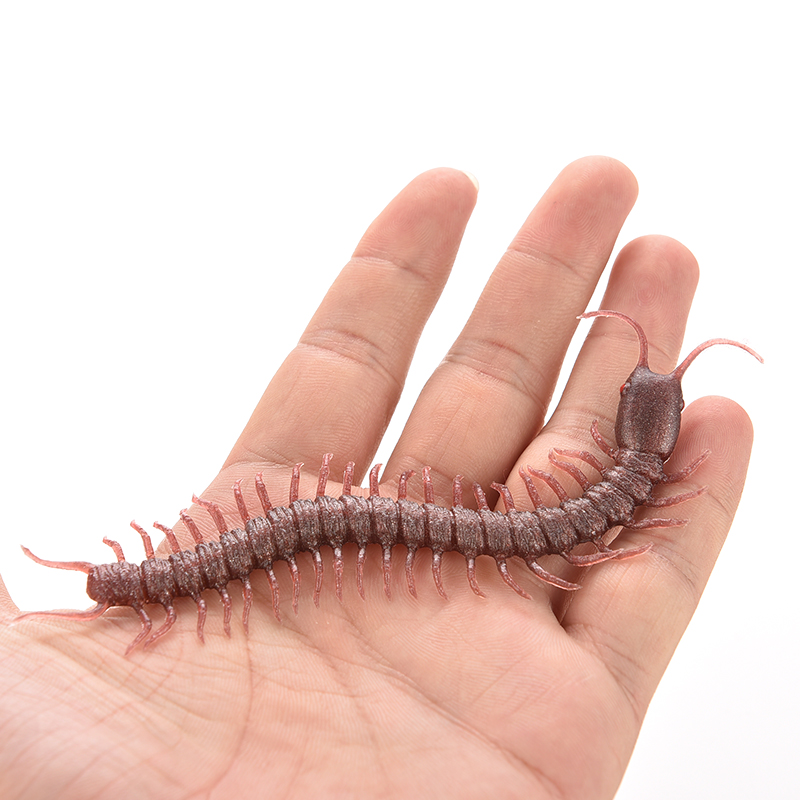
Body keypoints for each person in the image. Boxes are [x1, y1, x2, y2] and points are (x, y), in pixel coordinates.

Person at [0, 157, 754, 799]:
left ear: (635, 425)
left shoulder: (602, 500)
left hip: (492, 525)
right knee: (303, 530)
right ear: (644, 434)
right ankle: (147, 580)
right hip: (202, 570)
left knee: (378, 530)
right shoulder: (618, 480)